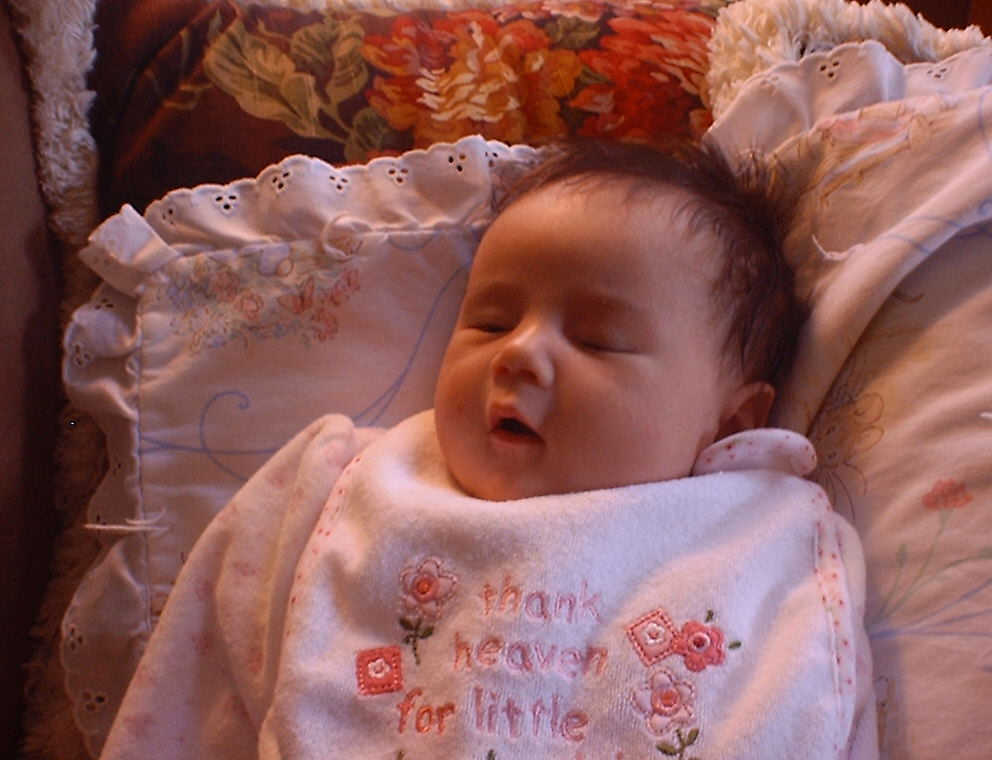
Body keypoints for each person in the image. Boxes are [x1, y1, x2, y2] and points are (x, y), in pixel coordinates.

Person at [99, 140, 877, 760]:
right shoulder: (349, 488)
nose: (519, 353)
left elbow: (827, 709)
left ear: (730, 419)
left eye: (597, 339)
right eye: (491, 321)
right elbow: (191, 692)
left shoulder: (762, 548)